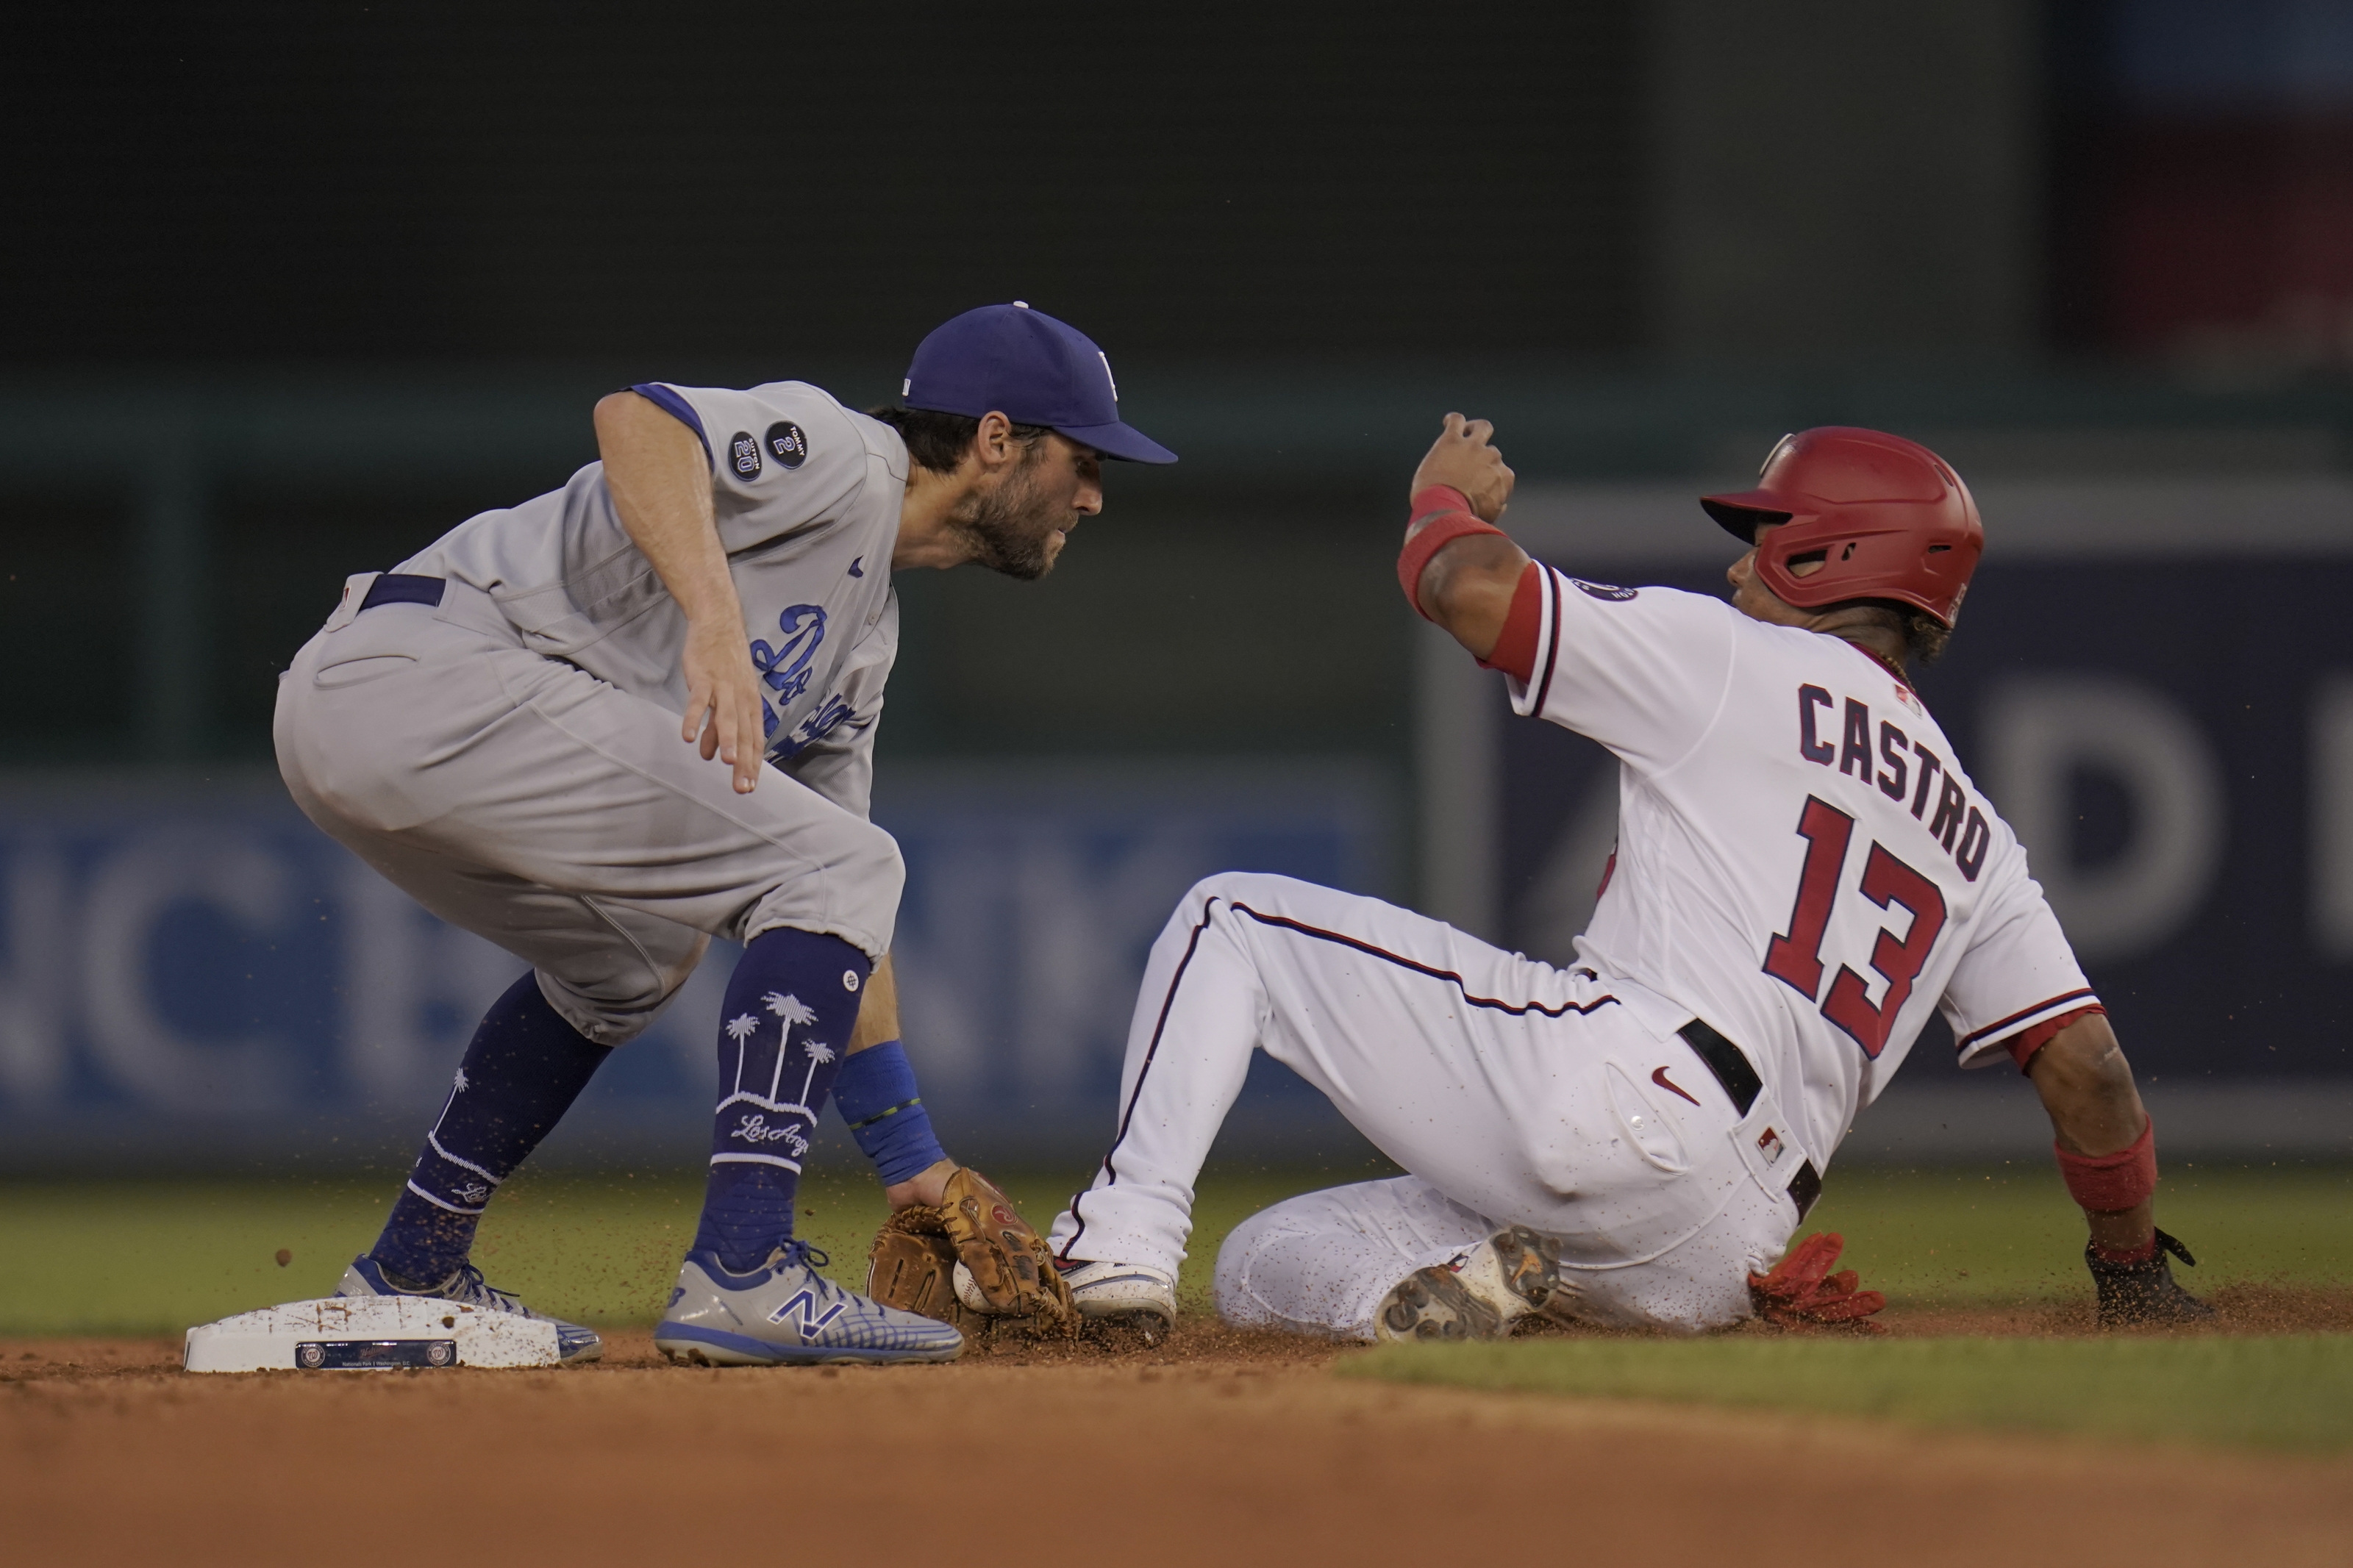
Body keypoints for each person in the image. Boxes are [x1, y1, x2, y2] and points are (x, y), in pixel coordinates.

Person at [1046, 418, 2208, 1341]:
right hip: (1723, 1251)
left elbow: (1469, 589)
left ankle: (1115, 1246)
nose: (1739, 561)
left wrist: (1441, 500)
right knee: (1264, 1261)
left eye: (1769, 535)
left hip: (1625, 1092)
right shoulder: (1975, 835)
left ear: (1830, 553)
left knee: (1233, 919)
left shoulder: (1737, 656)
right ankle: (1437, 1300)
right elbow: (2091, 1071)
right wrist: (2130, 1270)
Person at [275, 302, 1174, 1365]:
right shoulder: (845, 455)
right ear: (993, 439)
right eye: (1081, 457)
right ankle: (743, 1271)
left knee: (641, 954)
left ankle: (409, 1269)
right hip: (417, 669)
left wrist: (911, 1161)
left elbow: (845, 913)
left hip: (396, 722)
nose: (1095, 493)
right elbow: (638, 421)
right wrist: (712, 618)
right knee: (840, 868)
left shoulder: (862, 650)